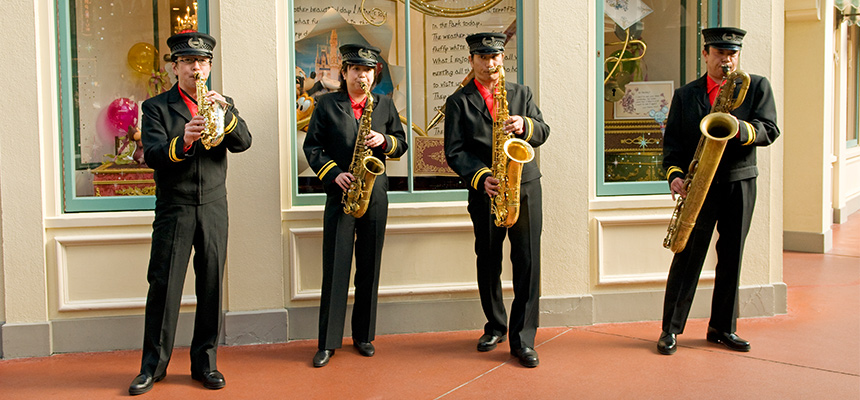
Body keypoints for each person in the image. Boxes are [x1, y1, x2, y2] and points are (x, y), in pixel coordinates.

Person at [128, 31, 252, 395]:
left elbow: (243, 142)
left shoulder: (222, 102)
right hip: (175, 206)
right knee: (164, 287)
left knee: (211, 284)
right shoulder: (156, 107)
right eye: (186, 62)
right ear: (175, 67)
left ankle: (206, 364)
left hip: (214, 206)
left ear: (209, 66)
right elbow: (151, 155)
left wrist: (224, 114)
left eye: (201, 62)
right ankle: (153, 367)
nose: (194, 67)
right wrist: (183, 140)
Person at [657, 27, 779, 355]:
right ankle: (670, 330)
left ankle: (722, 328)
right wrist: (675, 176)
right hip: (699, 185)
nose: (726, 60)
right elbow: (672, 146)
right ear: (705, 54)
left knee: (732, 256)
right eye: (720, 53)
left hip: (740, 181)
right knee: (687, 256)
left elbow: (771, 130)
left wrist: (739, 128)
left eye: (732, 54)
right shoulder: (686, 94)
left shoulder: (756, 87)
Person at [443, 32, 550, 368]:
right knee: (488, 261)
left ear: (503, 59)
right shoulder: (458, 101)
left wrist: (526, 125)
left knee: (528, 262)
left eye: (496, 57)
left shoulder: (521, 94)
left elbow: (544, 131)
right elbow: (454, 151)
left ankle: (523, 338)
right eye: (483, 58)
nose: (490, 64)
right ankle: (495, 325)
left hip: (525, 187)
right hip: (486, 190)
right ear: (472, 60)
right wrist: (479, 177)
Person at [303, 44, 408, 368]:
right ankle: (328, 342)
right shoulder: (326, 104)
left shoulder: (385, 106)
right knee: (335, 269)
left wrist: (384, 141)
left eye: (367, 70)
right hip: (340, 194)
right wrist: (333, 174)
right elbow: (313, 146)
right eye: (355, 69)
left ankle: (363, 335)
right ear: (345, 72)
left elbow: (401, 143)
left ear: (373, 74)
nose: (361, 75)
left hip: (374, 195)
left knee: (369, 267)